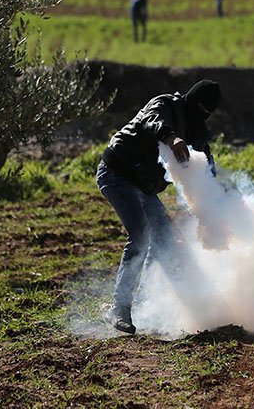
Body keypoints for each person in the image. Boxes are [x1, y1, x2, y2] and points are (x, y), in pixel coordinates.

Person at [97, 80, 222, 334]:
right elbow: (151, 121)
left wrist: (215, 198)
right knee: (140, 234)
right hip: (117, 174)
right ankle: (119, 308)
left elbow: (205, 165)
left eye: (207, 114)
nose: (202, 117)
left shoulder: (196, 130)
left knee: (164, 238)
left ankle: (142, 305)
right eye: (200, 110)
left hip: (144, 187)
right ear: (191, 101)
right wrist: (171, 136)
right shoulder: (165, 105)